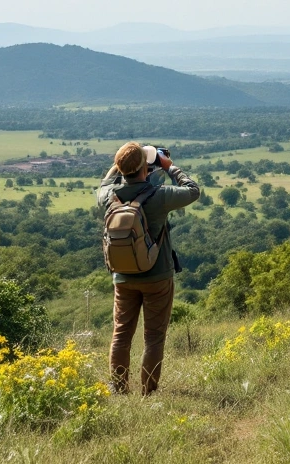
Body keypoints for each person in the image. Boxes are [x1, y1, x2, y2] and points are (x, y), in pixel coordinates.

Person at [96, 141, 200, 395]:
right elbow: (192, 190)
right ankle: (148, 393)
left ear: (120, 167)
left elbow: (104, 183)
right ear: (145, 167)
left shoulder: (108, 196)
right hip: (157, 276)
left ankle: (119, 389)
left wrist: (121, 163)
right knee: (153, 337)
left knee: (121, 334)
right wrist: (170, 166)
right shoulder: (159, 195)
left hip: (123, 277)